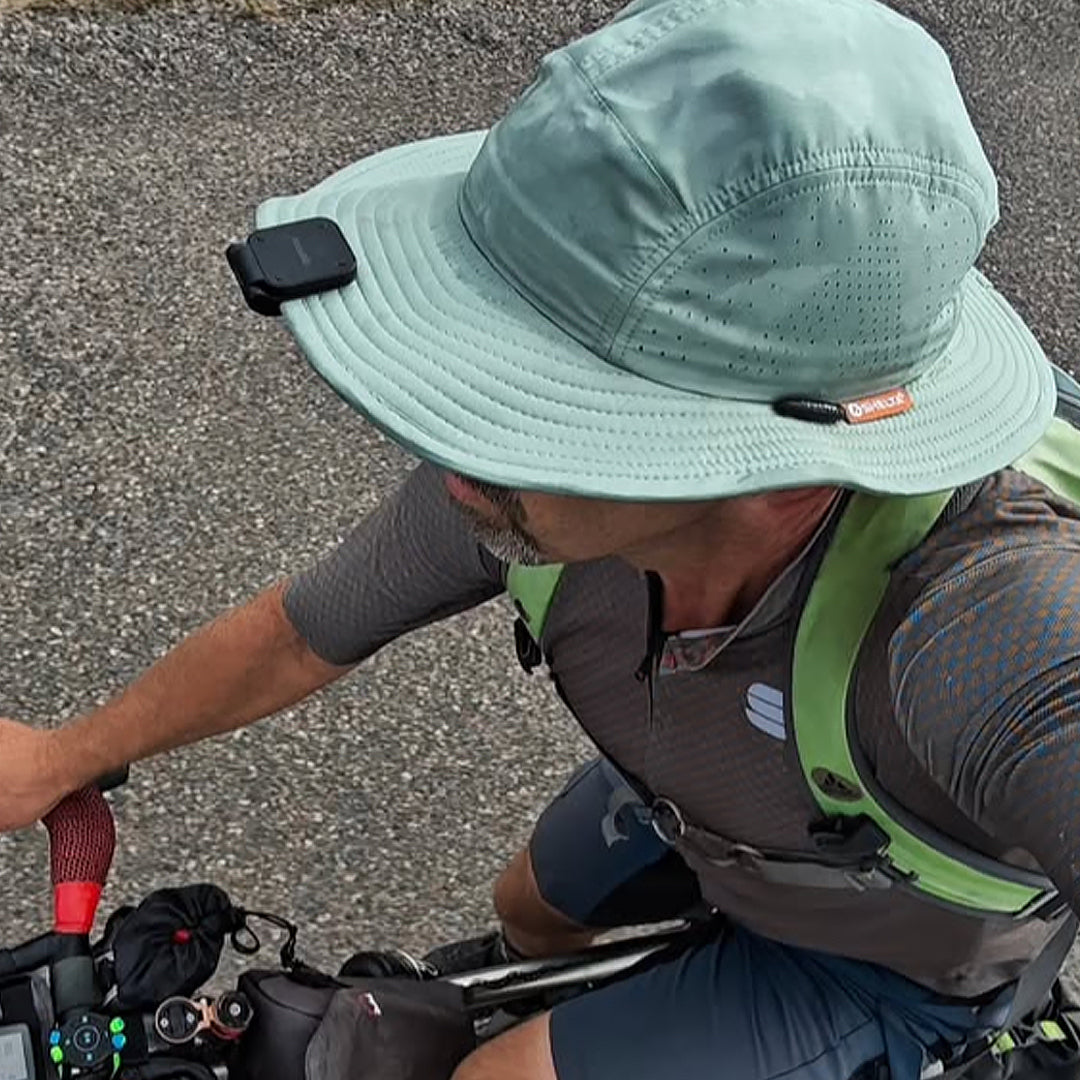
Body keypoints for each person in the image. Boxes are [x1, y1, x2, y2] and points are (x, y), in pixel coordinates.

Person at [3, 0, 1080, 1077]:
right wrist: (65, 755)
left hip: (886, 963)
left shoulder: (988, 629)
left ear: (764, 455)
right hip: (702, 799)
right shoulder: (517, 493)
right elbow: (302, 631)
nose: (453, 449)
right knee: (528, 902)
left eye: (542, 403)